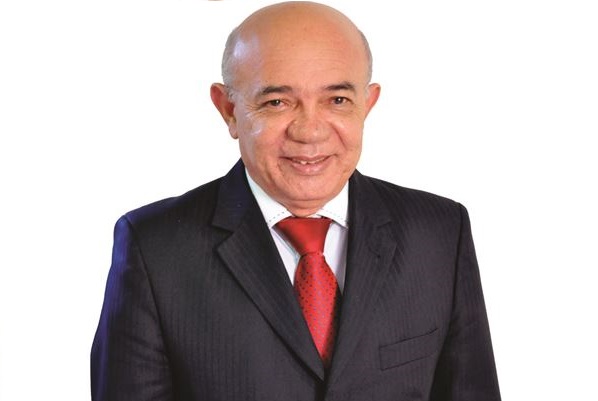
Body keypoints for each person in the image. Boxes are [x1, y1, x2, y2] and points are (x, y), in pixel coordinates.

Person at [91, 1, 501, 400]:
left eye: (337, 100)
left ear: (367, 104)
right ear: (229, 110)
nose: (309, 131)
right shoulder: (154, 248)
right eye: (277, 102)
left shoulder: (440, 233)